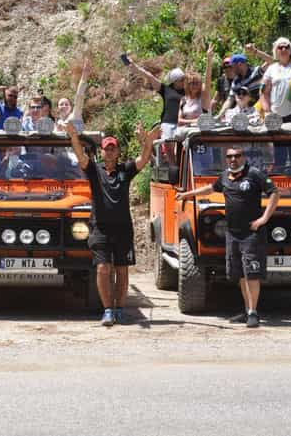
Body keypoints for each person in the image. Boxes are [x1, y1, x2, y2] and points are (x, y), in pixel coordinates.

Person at [66, 120, 159, 326]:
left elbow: (143, 159)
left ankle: (119, 309)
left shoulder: (125, 170)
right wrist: (73, 137)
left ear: (117, 152)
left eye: (113, 148)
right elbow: (81, 157)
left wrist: (148, 141)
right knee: (102, 269)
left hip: (123, 229)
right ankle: (108, 310)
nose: (109, 152)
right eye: (106, 149)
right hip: (100, 228)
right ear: (102, 152)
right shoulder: (94, 170)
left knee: (122, 270)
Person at [176, 145, 280, 328]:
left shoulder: (254, 174)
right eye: (230, 156)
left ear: (244, 157)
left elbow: (274, 193)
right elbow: (209, 189)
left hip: (251, 234)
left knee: (252, 273)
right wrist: (187, 194)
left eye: (237, 156)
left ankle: (254, 312)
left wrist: (264, 218)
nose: (233, 159)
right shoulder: (225, 176)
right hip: (232, 233)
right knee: (239, 273)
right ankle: (247, 310)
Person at [126, 56, 185, 139]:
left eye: (185, 79)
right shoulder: (166, 90)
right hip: (168, 123)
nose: (185, 81)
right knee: (169, 142)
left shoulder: (189, 90)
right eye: (182, 79)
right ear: (174, 81)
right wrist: (136, 68)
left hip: (183, 124)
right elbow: (150, 77)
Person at [177, 44, 214, 126]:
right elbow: (178, 120)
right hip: (186, 130)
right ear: (187, 85)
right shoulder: (183, 100)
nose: (194, 86)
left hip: (201, 131)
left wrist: (209, 60)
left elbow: (208, 79)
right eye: (191, 83)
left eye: (197, 83)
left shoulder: (203, 97)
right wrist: (195, 121)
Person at [56, 58, 90, 133]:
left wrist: (84, 78)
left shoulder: (75, 116)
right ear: (57, 108)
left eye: (66, 104)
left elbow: (79, 96)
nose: (64, 106)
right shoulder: (56, 124)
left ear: (71, 107)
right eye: (61, 104)